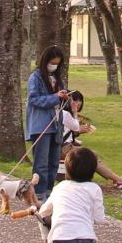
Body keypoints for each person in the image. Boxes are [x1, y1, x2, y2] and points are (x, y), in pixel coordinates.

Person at [60, 92, 122, 188]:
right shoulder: (66, 114)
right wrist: (76, 116)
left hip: (64, 146)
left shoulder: (64, 114)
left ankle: (116, 179)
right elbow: (74, 128)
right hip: (63, 148)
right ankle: (118, 180)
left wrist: (77, 135)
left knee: (92, 155)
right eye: (75, 100)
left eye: (80, 100)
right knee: (90, 156)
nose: (78, 103)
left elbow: (67, 133)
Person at [25, 45, 69, 202]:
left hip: (56, 125)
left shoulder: (57, 79)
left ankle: (49, 192)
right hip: (41, 126)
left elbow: (59, 98)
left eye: (57, 63)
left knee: (53, 162)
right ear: (45, 61)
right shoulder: (35, 77)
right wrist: (55, 97)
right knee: (41, 163)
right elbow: (34, 99)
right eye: (52, 62)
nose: (54, 66)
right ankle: (39, 193)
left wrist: (65, 96)